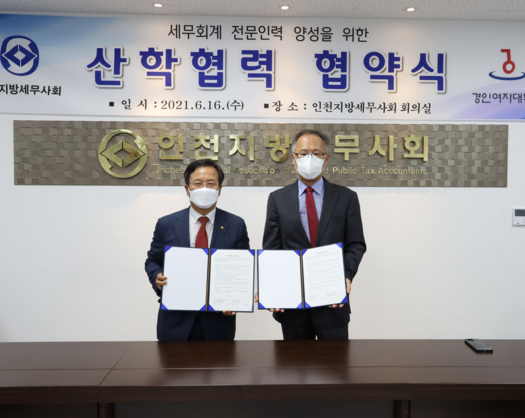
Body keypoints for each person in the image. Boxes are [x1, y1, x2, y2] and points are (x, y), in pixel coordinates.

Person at [260, 129, 366, 340]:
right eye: (303, 153)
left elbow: (356, 244)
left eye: (316, 153)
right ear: (294, 158)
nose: (310, 158)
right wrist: (272, 288)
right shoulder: (277, 199)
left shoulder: (347, 198)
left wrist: (346, 274)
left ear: (326, 159)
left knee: (335, 361)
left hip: (332, 303)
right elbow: (272, 249)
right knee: (294, 361)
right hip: (292, 305)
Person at [145, 159, 250, 341]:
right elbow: (152, 261)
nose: (204, 189)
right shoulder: (166, 224)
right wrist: (156, 276)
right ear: (187, 189)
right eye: (198, 183)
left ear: (219, 189)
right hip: (175, 320)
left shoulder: (236, 224)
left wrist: (236, 299)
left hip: (218, 322)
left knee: (219, 361)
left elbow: (243, 268)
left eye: (210, 184)